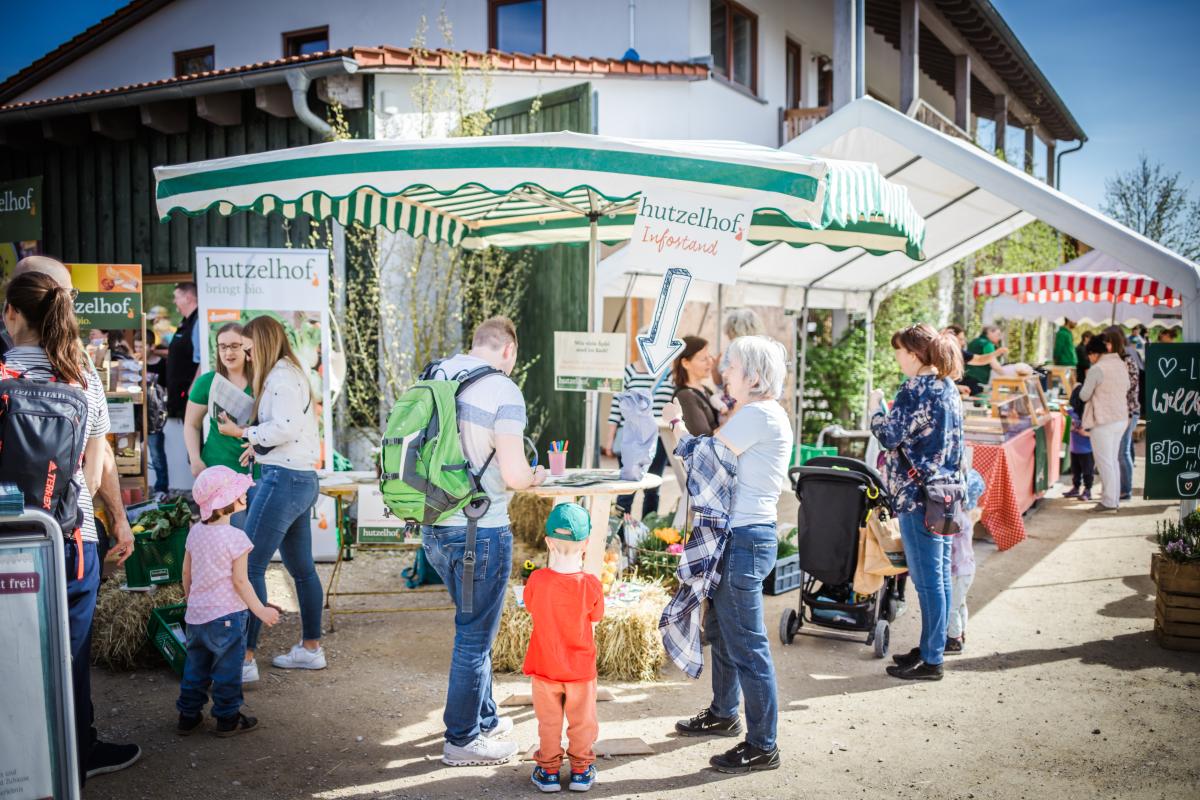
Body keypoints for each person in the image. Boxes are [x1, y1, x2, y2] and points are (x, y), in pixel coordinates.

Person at [2, 264, 139, 782]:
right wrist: (118, 521)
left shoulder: (1, 373)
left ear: (12, 313)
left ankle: (18, 761)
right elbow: (98, 462)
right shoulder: (80, 375)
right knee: (71, 652)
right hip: (69, 534)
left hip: (7, 537)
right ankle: (77, 752)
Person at [421, 317, 548, 767]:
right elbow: (513, 475)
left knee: (472, 627)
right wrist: (536, 476)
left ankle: (487, 718)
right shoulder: (502, 391)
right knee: (474, 638)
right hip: (480, 530)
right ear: (509, 351)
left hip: (433, 527)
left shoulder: (436, 373)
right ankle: (461, 739)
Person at [665, 335, 792, 774]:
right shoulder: (760, 413)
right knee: (722, 630)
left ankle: (762, 744)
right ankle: (723, 712)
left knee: (747, 644)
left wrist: (676, 425)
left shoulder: (757, 415)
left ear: (754, 377)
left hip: (744, 538)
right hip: (742, 536)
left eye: (733, 367)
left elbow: (705, 458)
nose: (724, 372)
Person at [215, 315, 323, 681]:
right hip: (297, 476)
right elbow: (288, 431)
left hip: (284, 480)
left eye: (247, 348)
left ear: (260, 343)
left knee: (251, 564)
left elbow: (285, 427)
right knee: (302, 569)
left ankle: (244, 659)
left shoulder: (279, 376)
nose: (246, 355)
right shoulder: (291, 371)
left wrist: (243, 431)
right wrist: (256, 446)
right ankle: (311, 649)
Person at [869, 324, 964, 681]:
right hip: (946, 494)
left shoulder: (915, 388)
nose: (897, 359)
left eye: (898, 352)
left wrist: (876, 410)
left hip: (917, 497)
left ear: (913, 354)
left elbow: (889, 435)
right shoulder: (947, 387)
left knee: (927, 581)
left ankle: (933, 658)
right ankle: (930, 647)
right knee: (937, 577)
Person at [177, 466, 280, 737]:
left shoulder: (195, 532)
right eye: (238, 492)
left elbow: (186, 573)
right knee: (226, 671)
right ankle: (227, 719)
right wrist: (261, 609)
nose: (244, 493)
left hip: (197, 617)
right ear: (224, 501)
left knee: (195, 667)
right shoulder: (237, 538)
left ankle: (188, 716)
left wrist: (192, 601)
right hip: (227, 617)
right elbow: (240, 582)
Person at [524, 504, 603, 793]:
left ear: (547, 541)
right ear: (585, 544)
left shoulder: (536, 580)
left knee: (549, 722)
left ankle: (548, 772)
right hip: (580, 670)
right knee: (582, 722)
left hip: (544, 667)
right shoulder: (591, 585)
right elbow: (596, 617)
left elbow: (532, 607)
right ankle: (581, 770)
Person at [603, 344, 675, 516]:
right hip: (631, 439)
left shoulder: (669, 373)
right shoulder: (628, 372)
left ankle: (647, 535)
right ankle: (619, 536)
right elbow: (616, 407)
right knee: (627, 489)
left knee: (653, 488)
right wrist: (610, 439)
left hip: (659, 439)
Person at [185, 323, 253, 476]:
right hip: (216, 467)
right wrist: (195, 459)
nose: (228, 352)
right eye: (222, 346)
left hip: (255, 469)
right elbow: (191, 424)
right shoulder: (206, 382)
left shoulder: (262, 381)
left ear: (247, 346)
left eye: (235, 346)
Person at [1079, 335, 1129, 512]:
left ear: (1093, 353)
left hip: (1103, 420)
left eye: (1089, 355)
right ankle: (1113, 499)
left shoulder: (1097, 368)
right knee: (1112, 461)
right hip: (1121, 417)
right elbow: (1127, 386)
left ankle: (1108, 501)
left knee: (1104, 462)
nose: (1089, 359)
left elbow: (1084, 395)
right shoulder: (1120, 364)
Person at [1104, 326, 1141, 501]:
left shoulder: (1126, 361)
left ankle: (1125, 491)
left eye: (1107, 342)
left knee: (1122, 452)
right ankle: (1121, 488)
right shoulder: (1116, 360)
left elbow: (1127, 390)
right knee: (1121, 451)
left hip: (1127, 412)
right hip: (1119, 412)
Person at [672, 335, 725, 437]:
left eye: (709, 357)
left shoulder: (706, 390)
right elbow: (703, 438)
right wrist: (733, 421)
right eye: (703, 359)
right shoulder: (685, 396)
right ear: (685, 363)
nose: (710, 362)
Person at [942, 325, 1006, 397]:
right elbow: (993, 365)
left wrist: (957, 387)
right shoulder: (988, 345)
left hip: (962, 381)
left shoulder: (974, 341)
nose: (963, 343)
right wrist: (1007, 376)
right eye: (960, 339)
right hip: (975, 381)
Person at [1063, 392, 1094, 502]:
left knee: (1087, 471)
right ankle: (1076, 488)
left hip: (1087, 449)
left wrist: (1085, 433)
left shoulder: (1089, 415)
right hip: (1074, 448)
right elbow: (1065, 418)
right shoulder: (1071, 412)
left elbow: (1096, 432)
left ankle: (1088, 490)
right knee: (1075, 471)